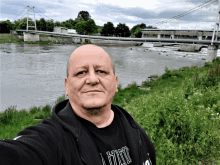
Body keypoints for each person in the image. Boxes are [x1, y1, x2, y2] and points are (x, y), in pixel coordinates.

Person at [0, 44, 156, 165]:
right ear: (67, 86)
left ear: (115, 83)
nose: (92, 79)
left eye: (101, 71)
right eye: (81, 73)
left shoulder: (135, 130)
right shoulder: (51, 139)